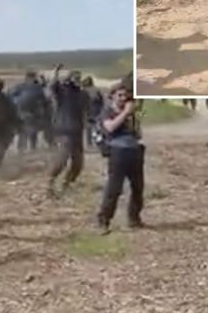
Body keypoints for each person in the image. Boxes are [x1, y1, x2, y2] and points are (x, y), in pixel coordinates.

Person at [95, 82, 144, 234]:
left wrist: (133, 119)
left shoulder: (130, 113)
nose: (123, 98)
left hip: (134, 151)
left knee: (138, 187)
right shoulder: (107, 111)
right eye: (120, 95)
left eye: (126, 95)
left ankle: (134, 218)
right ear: (112, 96)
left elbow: (138, 133)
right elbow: (110, 127)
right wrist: (125, 114)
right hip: (117, 152)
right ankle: (104, 221)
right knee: (114, 188)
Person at [47, 66, 87, 196]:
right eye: (75, 77)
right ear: (69, 79)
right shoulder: (63, 92)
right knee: (62, 159)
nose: (78, 79)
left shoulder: (81, 94)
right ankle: (50, 184)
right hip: (64, 130)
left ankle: (66, 184)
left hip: (77, 131)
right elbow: (52, 86)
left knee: (78, 163)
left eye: (79, 77)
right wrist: (55, 72)